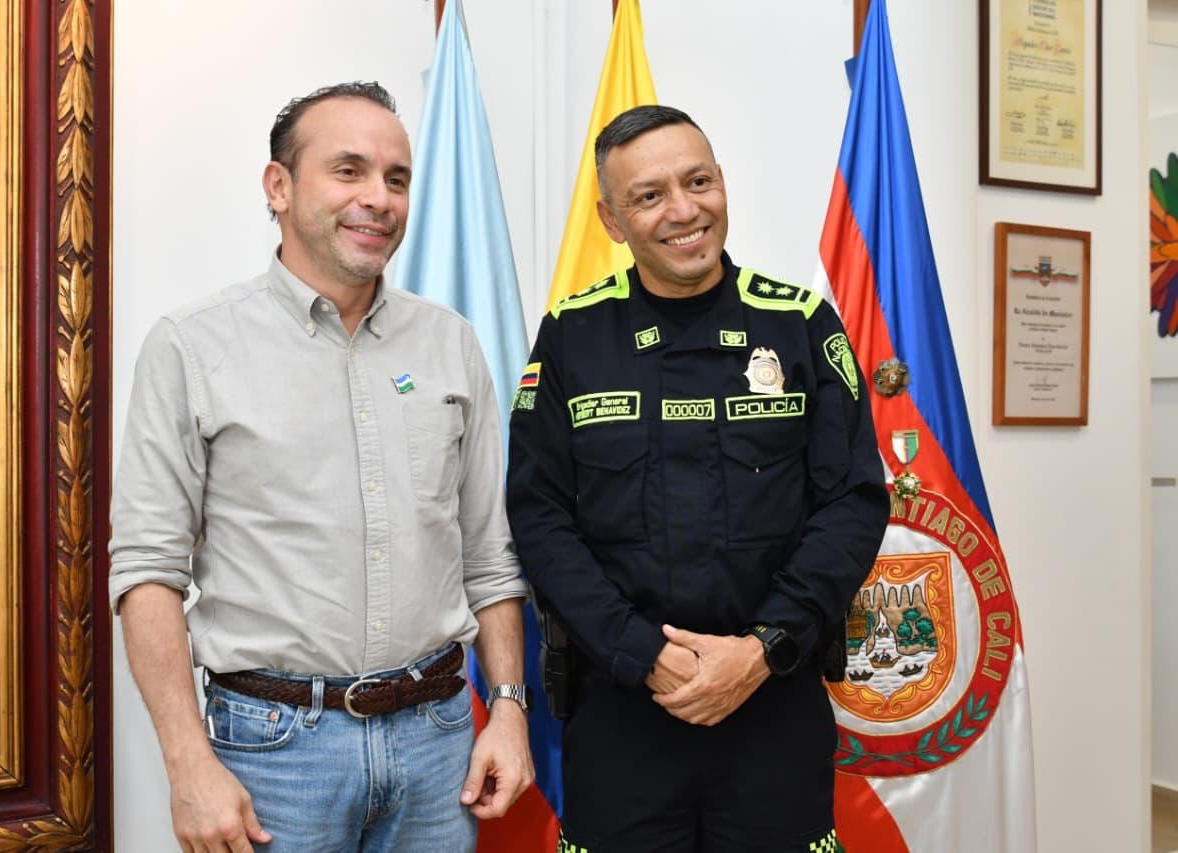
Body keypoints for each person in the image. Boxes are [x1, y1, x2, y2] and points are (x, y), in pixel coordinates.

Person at [110, 81, 533, 853]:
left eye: (396, 178)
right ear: (279, 186)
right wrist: (186, 761)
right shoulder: (191, 346)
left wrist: (507, 705)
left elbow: (488, 553)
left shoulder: (450, 344)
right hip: (274, 757)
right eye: (349, 170)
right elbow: (147, 570)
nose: (378, 197)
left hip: (440, 745)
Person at [506, 104, 888, 852]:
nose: (685, 211)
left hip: (773, 704)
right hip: (622, 715)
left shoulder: (801, 325)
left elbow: (852, 504)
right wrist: (641, 653)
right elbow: (538, 516)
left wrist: (764, 647)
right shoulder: (574, 334)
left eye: (698, 181)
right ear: (612, 220)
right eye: (649, 195)